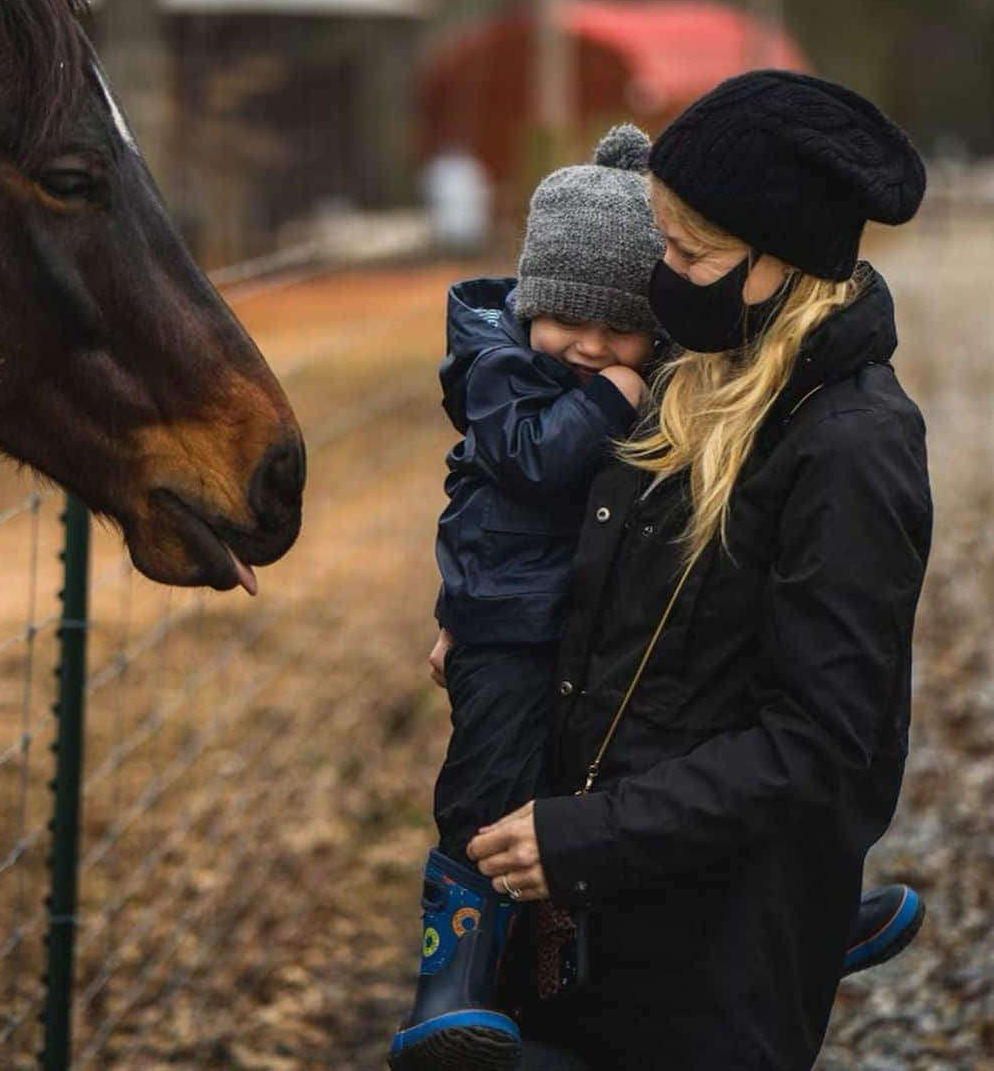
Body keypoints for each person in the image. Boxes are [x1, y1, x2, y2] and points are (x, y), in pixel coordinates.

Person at [465, 71, 933, 1071]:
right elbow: (630, 607)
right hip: (586, 913)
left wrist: (590, 837)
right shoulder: (694, 373)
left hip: (712, 959)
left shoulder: (851, 448)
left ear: (782, 258)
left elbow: (821, 743)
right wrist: (501, 621)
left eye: (691, 253)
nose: (665, 277)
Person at [388, 128, 665, 1070]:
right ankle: (450, 982)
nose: (588, 345)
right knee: (491, 793)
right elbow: (534, 462)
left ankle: (772, 915)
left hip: (589, 631)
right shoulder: (503, 368)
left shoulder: (632, 375)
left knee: (607, 795)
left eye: (617, 327)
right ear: (530, 303)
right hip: (507, 627)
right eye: (567, 320)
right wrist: (613, 393)